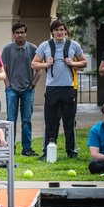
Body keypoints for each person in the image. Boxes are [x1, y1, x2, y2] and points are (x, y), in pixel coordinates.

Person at [31, 20, 87, 159]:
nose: (59, 32)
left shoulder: (74, 45)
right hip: (52, 88)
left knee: (69, 120)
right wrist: (46, 64)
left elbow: (84, 62)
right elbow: (34, 64)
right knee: (51, 121)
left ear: (66, 31)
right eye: (56, 30)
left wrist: (73, 63)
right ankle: (47, 152)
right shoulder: (45, 45)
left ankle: (71, 152)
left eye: (62, 29)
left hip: (68, 88)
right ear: (52, 32)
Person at [1, 22, 41, 156]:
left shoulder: (33, 48)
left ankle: (27, 148)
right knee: (11, 119)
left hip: (27, 90)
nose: (20, 35)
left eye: (22, 32)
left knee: (26, 119)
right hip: (12, 89)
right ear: (14, 34)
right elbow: (3, 70)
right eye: (17, 32)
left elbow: (39, 71)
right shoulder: (7, 49)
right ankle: (9, 147)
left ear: (25, 33)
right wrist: (7, 85)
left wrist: (33, 85)